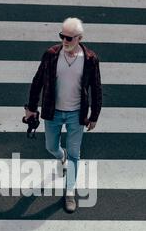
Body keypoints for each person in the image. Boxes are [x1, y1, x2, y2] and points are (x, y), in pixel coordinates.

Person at [25, 17, 102, 212]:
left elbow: (96, 88)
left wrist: (94, 116)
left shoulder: (90, 59)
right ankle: (62, 155)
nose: (65, 41)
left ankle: (69, 192)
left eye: (69, 38)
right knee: (51, 147)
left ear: (79, 38)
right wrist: (31, 107)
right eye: (62, 36)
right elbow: (37, 81)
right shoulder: (51, 55)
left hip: (77, 114)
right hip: (53, 111)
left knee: (75, 154)